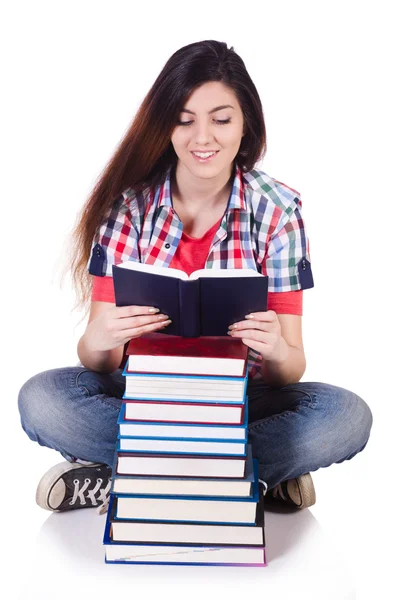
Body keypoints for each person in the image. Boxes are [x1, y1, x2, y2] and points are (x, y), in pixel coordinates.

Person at [17, 39, 373, 514]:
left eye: (221, 119)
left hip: (240, 399)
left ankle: (128, 474)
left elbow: (290, 369)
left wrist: (276, 348)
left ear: (246, 126)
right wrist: (99, 338)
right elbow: (97, 361)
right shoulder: (129, 207)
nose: (202, 138)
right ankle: (251, 476)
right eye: (184, 120)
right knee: (43, 399)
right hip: (144, 397)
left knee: (345, 416)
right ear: (164, 125)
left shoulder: (279, 211)